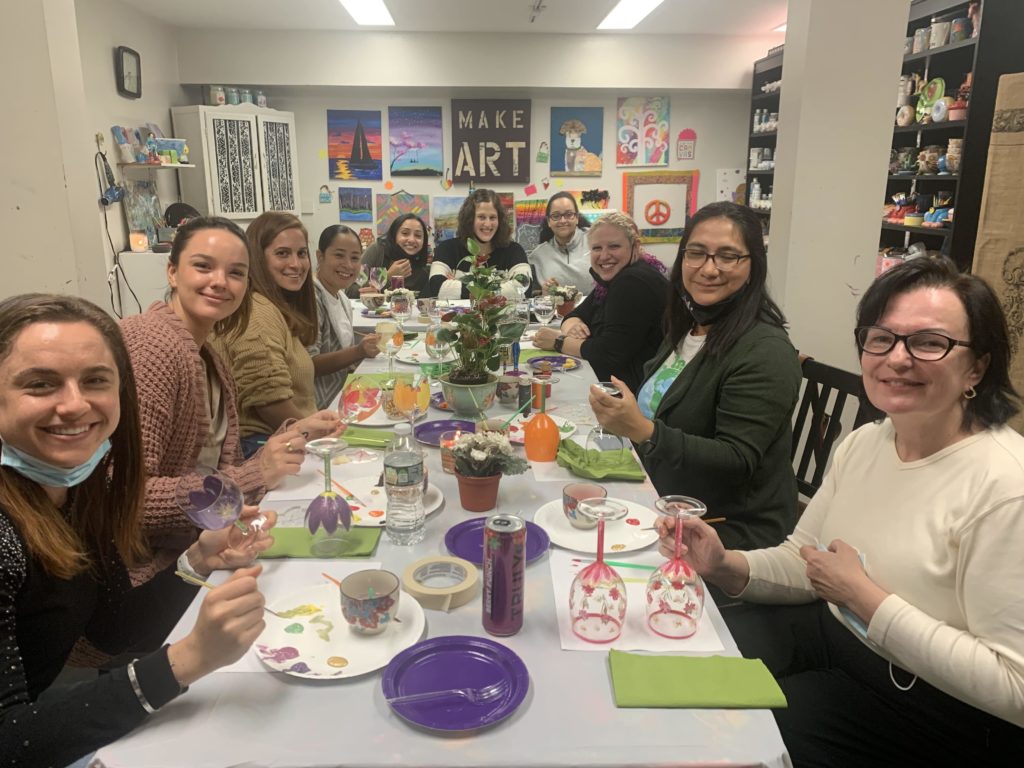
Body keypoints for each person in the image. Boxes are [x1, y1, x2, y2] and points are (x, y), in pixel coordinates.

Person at [660, 257, 1024, 765]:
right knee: (673, 667)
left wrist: (864, 598)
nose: (898, 358)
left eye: (929, 342)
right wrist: (725, 564)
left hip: (929, 707)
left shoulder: (1005, 486)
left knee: (717, 742)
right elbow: (804, 560)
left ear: (977, 368)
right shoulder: (867, 442)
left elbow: (1014, 686)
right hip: (829, 636)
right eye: (882, 339)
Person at [0, 293, 277, 766]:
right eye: (41, 384)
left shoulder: (79, 492)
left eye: (95, 380)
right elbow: (9, 739)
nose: (75, 404)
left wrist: (199, 560)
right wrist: (188, 659)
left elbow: (114, 629)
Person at [120, 217, 342, 586]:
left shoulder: (206, 354)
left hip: (198, 554)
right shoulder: (151, 347)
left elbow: (221, 468)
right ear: (172, 272)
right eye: (203, 266)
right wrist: (254, 475)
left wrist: (290, 437)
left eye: (235, 272)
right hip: (147, 578)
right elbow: (131, 498)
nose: (220, 282)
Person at [587, 202, 800, 550]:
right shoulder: (690, 327)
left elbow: (736, 460)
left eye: (728, 256)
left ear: (754, 266)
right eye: (697, 253)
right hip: (664, 498)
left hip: (725, 532)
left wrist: (643, 430)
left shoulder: (766, 351)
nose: (709, 269)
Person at [211, 212, 324, 457]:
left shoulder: (273, 306)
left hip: (283, 440)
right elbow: (269, 400)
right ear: (257, 258)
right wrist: (317, 440)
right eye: (282, 253)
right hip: (262, 448)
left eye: (301, 253)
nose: (296, 264)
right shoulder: (257, 311)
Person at [534, 211, 667, 392]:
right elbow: (576, 314)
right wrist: (574, 326)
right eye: (597, 248)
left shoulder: (633, 281)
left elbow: (608, 354)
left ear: (635, 246)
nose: (604, 256)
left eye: (614, 246)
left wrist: (558, 341)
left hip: (633, 392)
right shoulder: (613, 279)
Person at [310, 224, 381, 409]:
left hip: (345, 394)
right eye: (339, 255)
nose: (348, 265)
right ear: (320, 256)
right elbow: (309, 365)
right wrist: (358, 351)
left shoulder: (341, 297)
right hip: (320, 406)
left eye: (355, 258)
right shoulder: (311, 298)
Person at [426, 189, 531, 299]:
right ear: (469, 219)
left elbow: (524, 288)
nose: (488, 224)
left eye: (492, 217)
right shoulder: (447, 249)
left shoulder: (514, 250)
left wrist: (458, 287)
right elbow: (437, 288)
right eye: (481, 217)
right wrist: (504, 287)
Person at [346, 213, 431, 299]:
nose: (412, 240)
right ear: (394, 234)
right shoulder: (378, 251)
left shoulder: (423, 269)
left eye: (418, 235)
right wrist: (387, 277)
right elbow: (350, 291)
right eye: (405, 233)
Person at [528, 191, 593, 294]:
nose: (562, 220)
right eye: (556, 216)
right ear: (549, 221)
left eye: (569, 214)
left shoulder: (595, 241)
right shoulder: (538, 255)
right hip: (557, 305)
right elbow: (534, 295)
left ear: (577, 217)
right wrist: (543, 294)